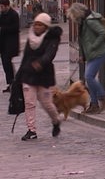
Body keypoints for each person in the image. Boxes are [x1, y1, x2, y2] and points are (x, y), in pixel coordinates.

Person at [17, 13, 62, 141]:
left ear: (46, 26)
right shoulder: (30, 37)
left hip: (44, 76)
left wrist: (41, 63)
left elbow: (50, 54)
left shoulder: (52, 38)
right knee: (29, 103)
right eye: (36, 24)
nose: (36, 27)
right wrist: (19, 75)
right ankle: (31, 130)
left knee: (47, 104)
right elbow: (25, 56)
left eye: (40, 24)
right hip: (28, 74)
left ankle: (56, 121)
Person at [66, 3, 105, 114]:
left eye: (73, 16)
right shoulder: (83, 22)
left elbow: (102, 32)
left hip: (100, 52)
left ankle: (103, 97)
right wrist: (84, 55)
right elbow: (85, 41)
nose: (73, 19)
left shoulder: (90, 21)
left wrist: (93, 46)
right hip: (92, 54)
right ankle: (94, 104)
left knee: (89, 76)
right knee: (89, 78)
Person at [0, 0, 20, 93]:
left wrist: (3, 29)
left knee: (7, 62)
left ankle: (13, 83)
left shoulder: (14, 14)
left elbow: (15, 28)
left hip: (11, 44)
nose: (1, 8)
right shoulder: (2, 14)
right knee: (5, 63)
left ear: (7, 6)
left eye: (2, 7)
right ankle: (11, 83)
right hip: (3, 44)